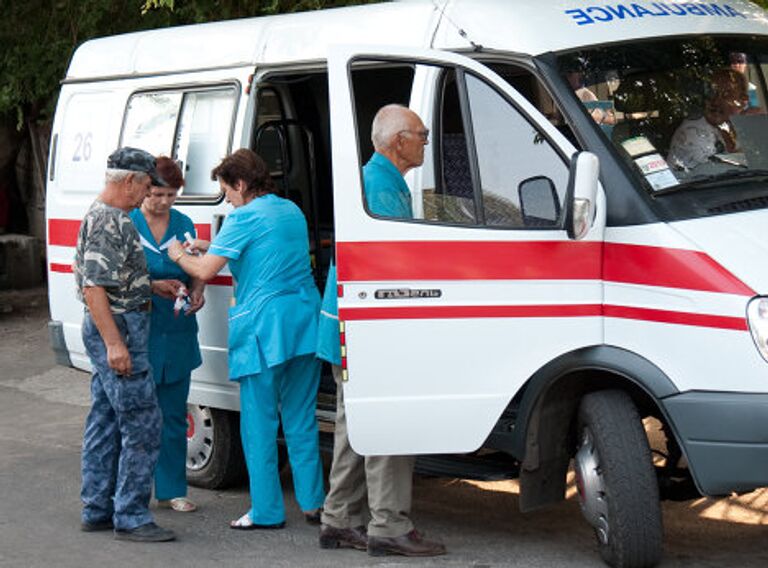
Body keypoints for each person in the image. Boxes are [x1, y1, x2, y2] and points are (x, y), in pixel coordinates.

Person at [166, 149, 324, 529]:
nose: (229, 200)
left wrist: (177, 255)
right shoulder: (290, 210)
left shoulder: (244, 216)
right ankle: (314, 503)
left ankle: (267, 511)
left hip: (264, 330)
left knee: (259, 425)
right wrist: (212, 246)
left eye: (228, 191)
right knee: (302, 419)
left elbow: (204, 269)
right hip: (304, 322)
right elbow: (264, 252)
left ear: (240, 184)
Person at [318, 104, 446, 557]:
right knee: (386, 424)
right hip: (367, 332)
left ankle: (338, 519)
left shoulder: (379, 182)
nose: (426, 140)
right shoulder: (379, 188)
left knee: (356, 428)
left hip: (347, 329)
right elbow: (394, 268)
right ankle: (389, 524)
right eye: (421, 133)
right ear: (398, 142)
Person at [74, 147, 175, 542]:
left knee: (105, 417)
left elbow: (106, 278)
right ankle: (131, 515)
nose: (147, 194)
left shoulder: (105, 216)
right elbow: (94, 285)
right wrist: (116, 344)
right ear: (130, 180)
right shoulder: (110, 221)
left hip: (115, 323)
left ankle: (97, 506)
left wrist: (150, 286)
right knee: (143, 422)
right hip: (119, 330)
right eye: (147, 186)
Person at [129, 157, 205, 513]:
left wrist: (198, 288)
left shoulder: (183, 223)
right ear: (144, 188)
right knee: (137, 418)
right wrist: (151, 285)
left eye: (170, 195)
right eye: (156, 193)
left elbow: (197, 265)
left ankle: (173, 489)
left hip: (176, 328)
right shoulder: (127, 223)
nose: (162, 202)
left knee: (174, 414)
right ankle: (133, 490)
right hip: (139, 328)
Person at [667, 68, 749, 171]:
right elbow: (719, 175)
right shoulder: (692, 133)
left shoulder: (742, 128)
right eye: (711, 93)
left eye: (726, 95)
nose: (716, 101)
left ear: (743, 101)